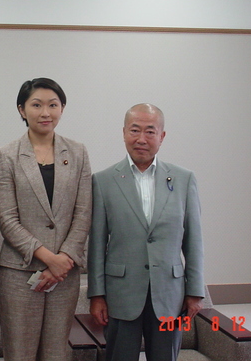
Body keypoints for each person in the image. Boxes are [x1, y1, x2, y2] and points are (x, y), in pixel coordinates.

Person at [88, 103, 205, 361]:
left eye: (150, 132)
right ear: (123, 133)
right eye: (134, 130)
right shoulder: (103, 180)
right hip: (121, 294)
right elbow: (96, 243)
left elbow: (194, 240)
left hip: (169, 294)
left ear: (162, 136)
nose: (141, 139)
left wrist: (195, 292)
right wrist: (96, 295)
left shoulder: (184, 179)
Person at [0, 77, 92, 360]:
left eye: (53, 104)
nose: (45, 112)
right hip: (20, 273)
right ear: (22, 110)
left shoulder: (77, 152)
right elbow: (7, 219)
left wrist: (64, 260)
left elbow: (83, 213)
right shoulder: (6, 156)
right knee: (20, 353)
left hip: (65, 274)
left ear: (62, 108)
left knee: (56, 352)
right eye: (36, 105)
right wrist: (50, 258)